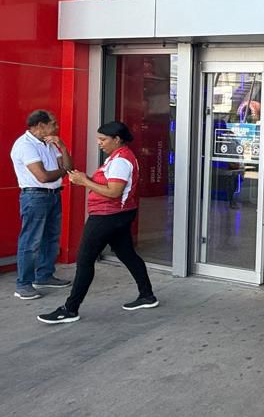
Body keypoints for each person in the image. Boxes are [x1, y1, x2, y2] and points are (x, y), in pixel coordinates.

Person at [37, 121, 157, 324]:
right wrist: (87, 178)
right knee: (127, 254)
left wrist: (85, 182)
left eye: (103, 140)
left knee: (84, 261)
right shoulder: (118, 157)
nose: (99, 143)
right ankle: (146, 295)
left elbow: (114, 191)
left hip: (107, 217)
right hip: (118, 215)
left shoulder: (120, 161)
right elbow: (109, 185)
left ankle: (70, 309)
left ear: (117, 139)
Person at [10, 110, 73, 300]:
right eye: (53, 123)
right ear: (40, 125)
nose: (56, 127)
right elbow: (43, 176)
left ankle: (44, 275)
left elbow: (69, 165)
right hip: (35, 196)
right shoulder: (25, 145)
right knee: (31, 241)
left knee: (51, 238)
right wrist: (63, 170)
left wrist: (61, 145)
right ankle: (23, 284)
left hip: (53, 195)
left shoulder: (49, 144)